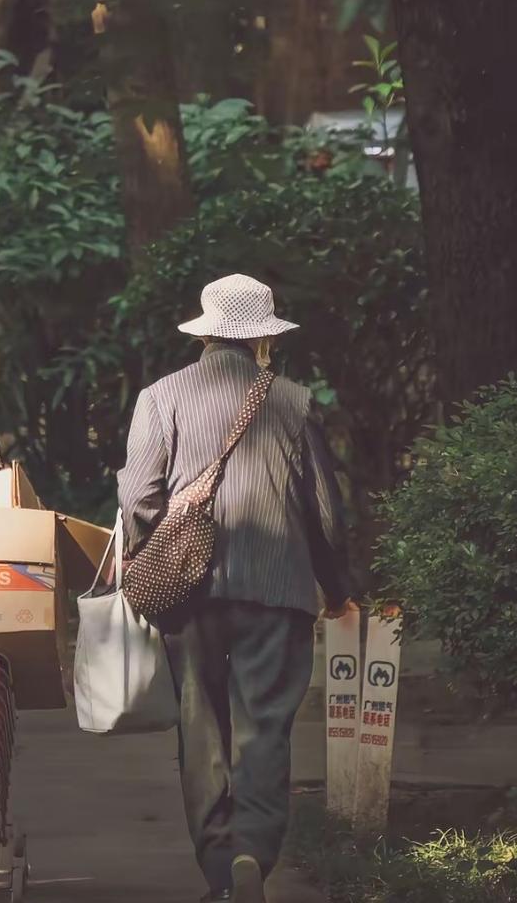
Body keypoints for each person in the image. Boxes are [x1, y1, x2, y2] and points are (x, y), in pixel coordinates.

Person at [118, 273, 353, 903]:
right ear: (262, 339)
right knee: (264, 728)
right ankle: (253, 850)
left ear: (205, 334)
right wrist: (338, 588)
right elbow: (324, 511)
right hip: (277, 592)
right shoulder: (293, 401)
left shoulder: (159, 398)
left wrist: (149, 561)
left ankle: (221, 871)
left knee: (200, 732)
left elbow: (137, 498)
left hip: (188, 596)